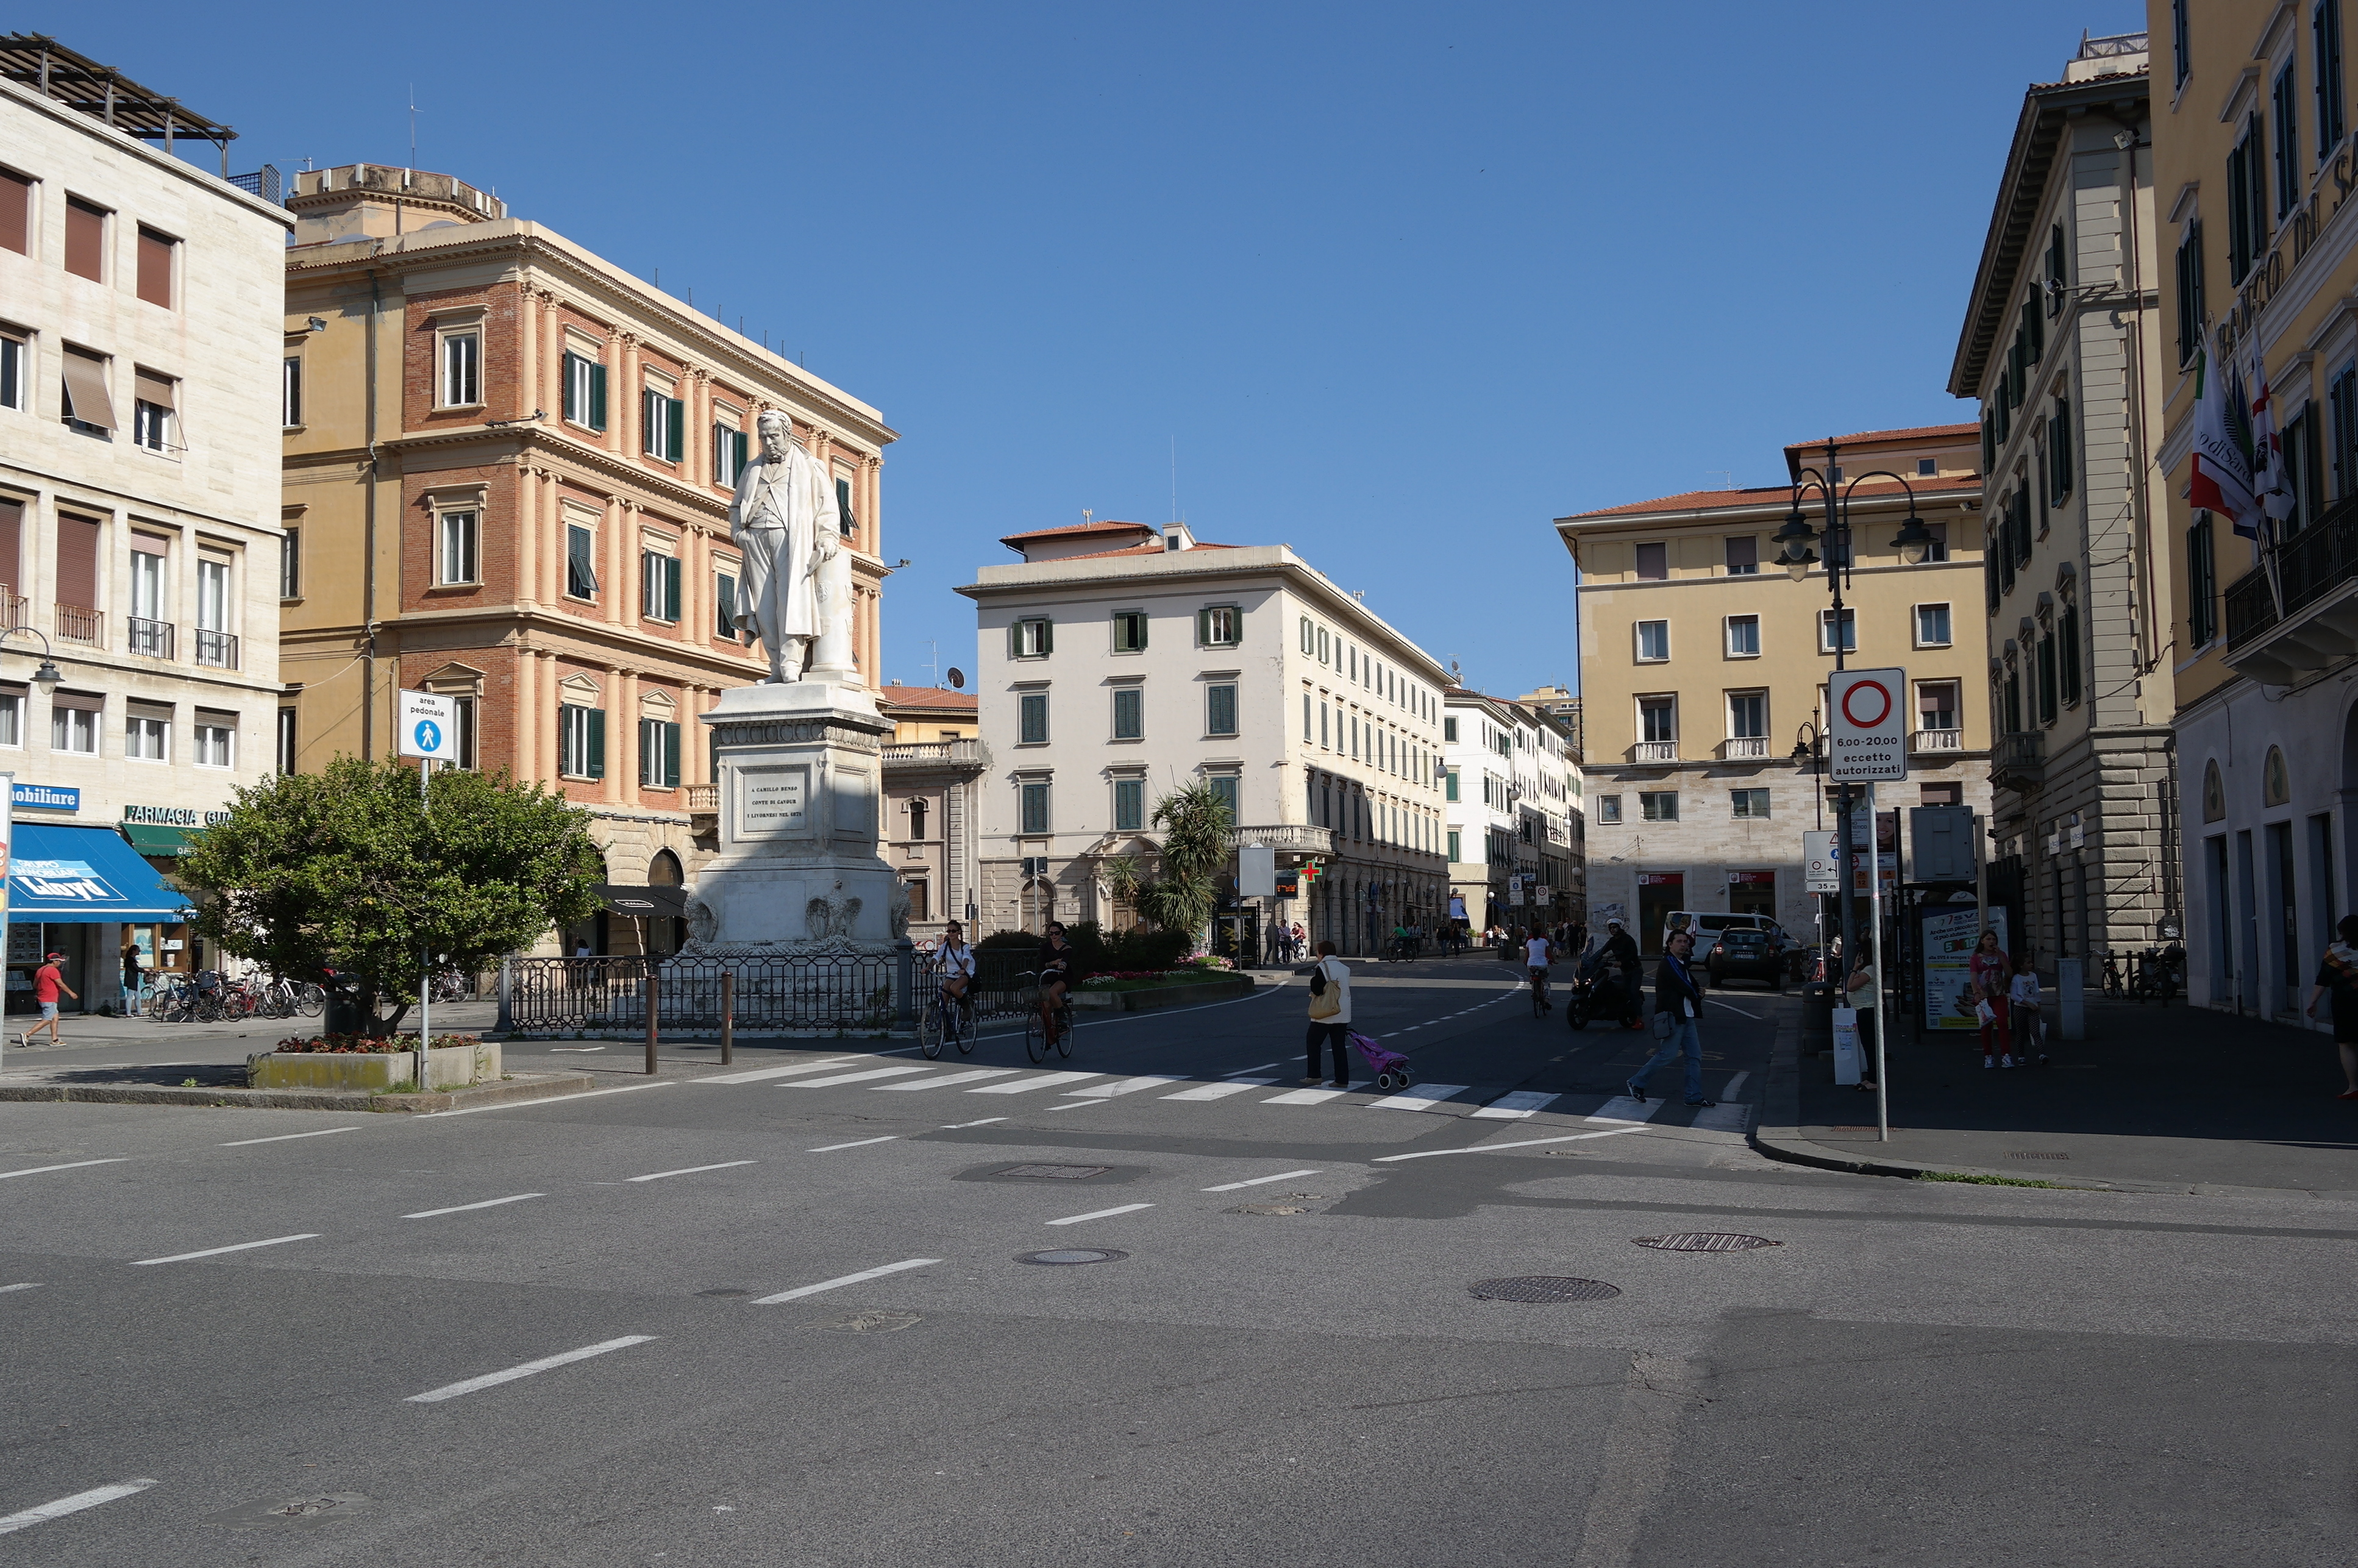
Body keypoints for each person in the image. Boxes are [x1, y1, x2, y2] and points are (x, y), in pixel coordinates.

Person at [1627, 928, 1714, 1107]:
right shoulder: (1670, 963)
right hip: (1674, 1016)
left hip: (1687, 1016)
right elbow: (1684, 986)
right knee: (1667, 1054)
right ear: (1670, 944)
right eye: (1680, 942)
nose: (1684, 945)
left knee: (1694, 1056)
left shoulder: (1681, 963)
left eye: (1685, 942)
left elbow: (1690, 985)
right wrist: (1698, 994)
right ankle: (1637, 1082)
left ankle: (1693, 1096)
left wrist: (1697, 992)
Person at [2304, 915, 2358, 1100]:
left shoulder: (2334, 951)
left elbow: (2323, 979)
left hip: (2345, 1002)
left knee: (2347, 1043)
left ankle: (2353, 1087)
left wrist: (2313, 1002)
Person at [1303, 939, 1352, 1086]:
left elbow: (1318, 989)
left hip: (1326, 1013)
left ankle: (1314, 1075)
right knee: (1339, 1046)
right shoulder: (1345, 968)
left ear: (1321, 953)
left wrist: (1313, 981)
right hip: (1342, 1012)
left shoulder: (1322, 967)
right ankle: (1342, 1079)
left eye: (1318, 952)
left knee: (1313, 1042)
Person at [1970, 930, 2012, 1067]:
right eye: (1988, 939)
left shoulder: (2001, 955)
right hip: (1984, 994)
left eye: (1994, 939)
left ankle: (2006, 1055)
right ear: (1982, 941)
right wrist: (1976, 992)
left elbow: (2009, 973)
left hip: (1999, 993)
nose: (1992, 942)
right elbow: (1974, 976)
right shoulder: (1976, 957)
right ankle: (1988, 1056)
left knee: (2002, 1023)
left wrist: (2001, 956)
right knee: (1986, 1025)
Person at [1035, 921, 1081, 1045]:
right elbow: (1042, 963)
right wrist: (1053, 963)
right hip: (1048, 976)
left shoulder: (1067, 948)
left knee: (1052, 992)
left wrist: (1061, 965)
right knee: (1046, 1006)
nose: (1054, 935)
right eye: (1051, 933)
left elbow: (1065, 960)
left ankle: (1062, 1017)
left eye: (1056, 933)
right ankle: (1049, 1033)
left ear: (1061, 933)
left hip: (1062, 977)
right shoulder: (1045, 947)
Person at [1844, 941, 1879, 1090]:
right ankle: (1871, 1077)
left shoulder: (1869, 970)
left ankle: (1875, 1080)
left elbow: (1851, 987)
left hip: (1869, 1011)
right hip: (1865, 1010)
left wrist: (1854, 969)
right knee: (1868, 1046)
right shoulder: (1868, 969)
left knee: (1871, 1046)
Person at [24, 952, 77, 1046]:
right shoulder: (53, 970)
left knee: (55, 1017)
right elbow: (60, 984)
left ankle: (55, 1040)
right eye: (59, 961)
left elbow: (35, 985)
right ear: (55, 961)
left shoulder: (40, 970)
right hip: (49, 998)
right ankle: (27, 1035)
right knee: (47, 1019)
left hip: (43, 997)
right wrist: (71, 993)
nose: (60, 964)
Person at [1599, 919, 1643, 1027]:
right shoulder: (1612, 941)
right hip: (1625, 971)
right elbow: (1602, 951)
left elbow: (1633, 954)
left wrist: (1621, 962)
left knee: (1633, 992)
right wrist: (1590, 958)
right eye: (1611, 928)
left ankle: (1639, 1019)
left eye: (1615, 927)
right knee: (1621, 992)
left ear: (1620, 928)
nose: (1613, 930)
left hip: (1635, 970)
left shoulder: (1628, 939)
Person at [2008, 956, 2045, 1066]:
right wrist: (2027, 1003)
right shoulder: (2016, 978)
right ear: (2021, 965)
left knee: (2035, 1032)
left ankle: (2042, 1054)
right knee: (2021, 1033)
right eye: (2028, 963)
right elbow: (2014, 995)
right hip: (2020, 1008)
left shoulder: (2034, 976)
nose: (2031, 965)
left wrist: (2038, 1004)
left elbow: (2036, 991)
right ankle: (2021, 1056)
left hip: (2033, 1008)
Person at [937, 920, 977, 1018]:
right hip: (951, 974)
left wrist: (963, 968)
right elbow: (937, 957)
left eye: (953, 931)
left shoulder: (964, 946)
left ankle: (967, 1008)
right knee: (944, 994)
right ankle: (943, 1023)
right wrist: (929, 967)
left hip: (964, 974)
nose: (951, 933)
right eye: (949, 931)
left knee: (954, 988)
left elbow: (966, 958)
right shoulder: (945, 947)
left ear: (959, 932)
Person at [1525, 927, 1555, 1011]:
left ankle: (1533, 989)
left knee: (1532, 974)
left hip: (1531, 965)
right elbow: (1549, 952)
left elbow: (1527, 954)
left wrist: (1526, 962)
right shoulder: (1544, 941)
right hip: (1543, 964)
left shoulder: (1529, 942)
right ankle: (1546, 999)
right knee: (1546, 982)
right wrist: (1554, 960)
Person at [120, 936, 143, 1016]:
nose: (139, 952)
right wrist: (145, 970)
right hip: (131, 979)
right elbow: (136, 968)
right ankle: (128, 1013)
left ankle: (140, 1012)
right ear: (134, 951)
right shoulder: (130, 959)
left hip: (135, 979)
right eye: (138, 950)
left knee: (138, 996)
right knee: (130, 996)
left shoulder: (133, 959)